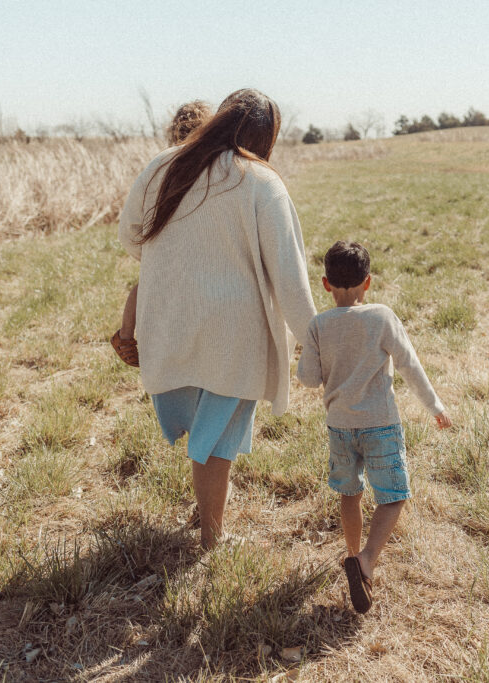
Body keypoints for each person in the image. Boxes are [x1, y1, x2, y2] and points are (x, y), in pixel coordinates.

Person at [118, 89, 316, 550]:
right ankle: (211, 539)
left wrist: (171, 260)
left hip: (169, 320)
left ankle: (206, 513)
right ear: (267, 138)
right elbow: (291, 279)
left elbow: (131, 236)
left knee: (205, 432)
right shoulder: (262, 182)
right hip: (234, 333)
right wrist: (321, 343)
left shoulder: (162, 164)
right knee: (216, 441)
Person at [296, 241, 451, 613]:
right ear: (368, 283)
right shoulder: (381, 316)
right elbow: (409, 365)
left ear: (325, 284)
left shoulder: (318, 325)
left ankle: (352, 555)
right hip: (380, 423)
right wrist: (435, 406)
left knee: (350, 494)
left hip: (340, 427)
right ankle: (365, 560)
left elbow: (307, 378)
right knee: (393, 495)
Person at [111, 100, 213, 367]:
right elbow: (131, 227)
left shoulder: (172, 165)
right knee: (145, 283)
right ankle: (124, 336)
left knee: (148, 285)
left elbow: (128, 229)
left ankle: (128, 336)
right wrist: (152, 255)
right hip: (172, 247)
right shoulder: (171, 166)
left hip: (180, 247)